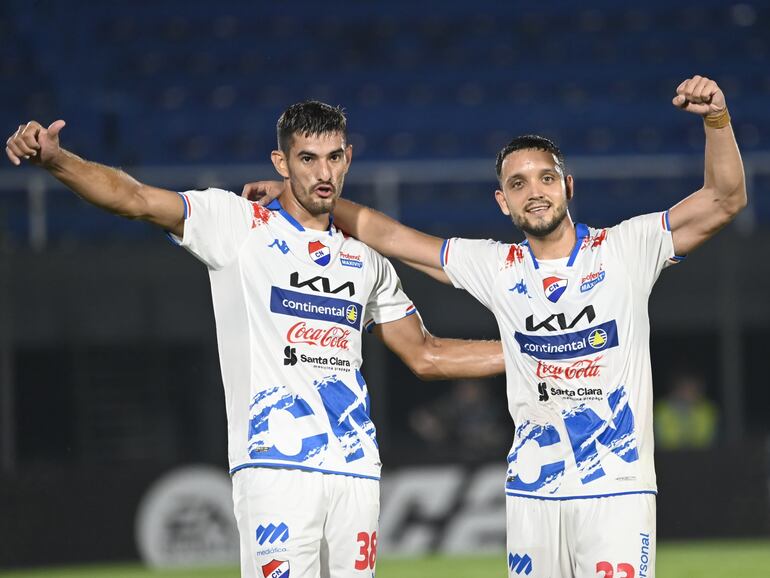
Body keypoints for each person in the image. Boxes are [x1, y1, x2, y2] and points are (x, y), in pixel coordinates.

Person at [243, 76, 746, 577]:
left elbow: (724, 200)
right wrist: (299, 196)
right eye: (518, 184)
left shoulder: (624, 250)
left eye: (546, 178)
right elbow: (394, 237)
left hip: (616, 488)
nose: (535, 192)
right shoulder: (498, 266)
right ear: (502, 201)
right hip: (532, 491)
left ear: (568, 187)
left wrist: (717, 121)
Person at [5, 101, 505, 578]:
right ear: (281, 161)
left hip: (355, 472)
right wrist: (56, 160)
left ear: (348, 158)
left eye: (334, 158)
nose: (323, 173)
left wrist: (529, 354)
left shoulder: (367, 260)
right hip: (275, 467)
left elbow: (426, 354)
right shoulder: (239, 225)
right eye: (307, 159)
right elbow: (134, 199)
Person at [654, 368, 719, 450]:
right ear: (676, 389)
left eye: (694, 388)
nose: (690, 391)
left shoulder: (707, 410)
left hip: (701, 457)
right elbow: (665, 440)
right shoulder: (662, 410)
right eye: (686, 387)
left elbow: (705, 439)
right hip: (668, 458)